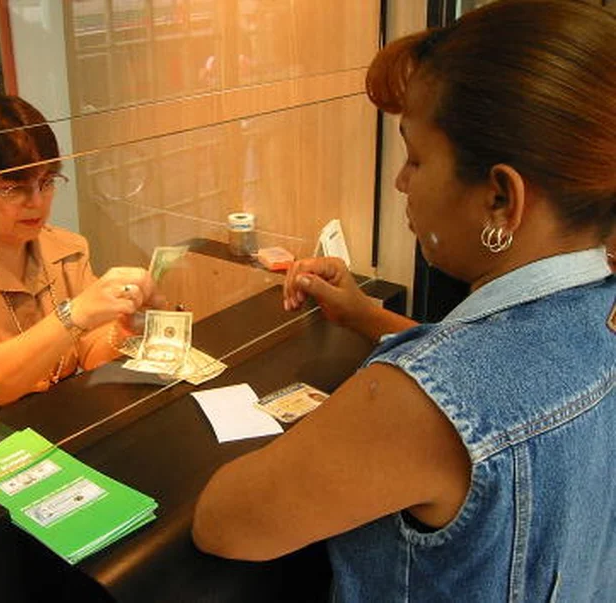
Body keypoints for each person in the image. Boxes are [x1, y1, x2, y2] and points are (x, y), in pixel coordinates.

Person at [192, 1, 615, 600]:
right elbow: (520, 365)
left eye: (416, 157)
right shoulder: (600, 311)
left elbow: (226, 523)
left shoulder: (421, 403)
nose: (401, 181)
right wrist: (365, 315)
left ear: (501, 198)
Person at [0, 95, 158, 407]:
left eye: (46, 182)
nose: (36, 201)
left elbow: (91, 353)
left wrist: (126, 327)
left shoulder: (67, 248)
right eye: (14, 187)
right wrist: (73, 316)